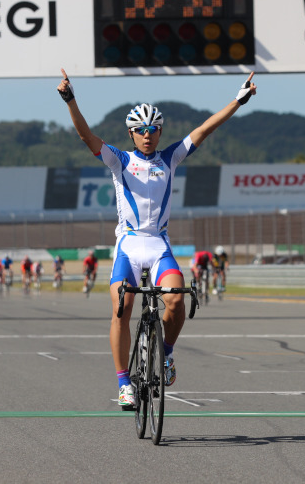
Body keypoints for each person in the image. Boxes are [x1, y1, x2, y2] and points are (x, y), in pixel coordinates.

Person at [57, 67, 257, 408]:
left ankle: (164, 353)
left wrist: (238, 100)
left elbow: (206, 128)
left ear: (160, 132)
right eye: (140, 130)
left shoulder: (171, 157)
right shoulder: (119, 160)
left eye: (153, 129)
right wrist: (71, 100)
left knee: (177, 299)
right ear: (132, 134)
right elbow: (86, 136)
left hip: (159, 244)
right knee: (122, 307)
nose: (147, 135)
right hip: (129, 246)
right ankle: (124, 382)